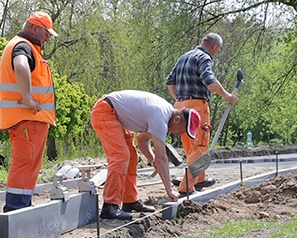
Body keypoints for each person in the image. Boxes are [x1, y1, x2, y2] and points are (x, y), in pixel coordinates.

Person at [90, 90, 200, 220]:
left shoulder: (164, 115)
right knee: (121, 156)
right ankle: (110, 206)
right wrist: (169, 190)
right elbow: (162, 158)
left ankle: (130, 201)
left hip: (115, 115)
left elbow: (142, 140)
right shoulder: (161, 117)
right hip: (105, 112)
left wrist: (152, 159)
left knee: (131, 157)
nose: (179, 134)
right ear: (177, 119)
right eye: (182, 130)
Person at [0, 11, 58, 212]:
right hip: (27, 118)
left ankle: (21, 208)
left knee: (29, 164)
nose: (48, 36)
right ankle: (15, 210)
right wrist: (28, 98)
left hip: (29, 119)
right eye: (46, 32)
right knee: (25, 163)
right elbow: (21, 66)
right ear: (33, 28)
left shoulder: (24, 46)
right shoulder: (23, 47)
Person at [166, 33, 237, 195]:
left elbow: (170, 81)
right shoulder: (204, 57)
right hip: (197, 106)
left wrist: (179, 99)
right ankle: (186, 187)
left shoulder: (184, 57)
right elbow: (208, 79)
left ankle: (199, 178)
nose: (216, 53)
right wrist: (227, 96)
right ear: (213, 46)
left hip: (180, 107)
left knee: (190, 146)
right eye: (217, 50)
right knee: (199, 146)